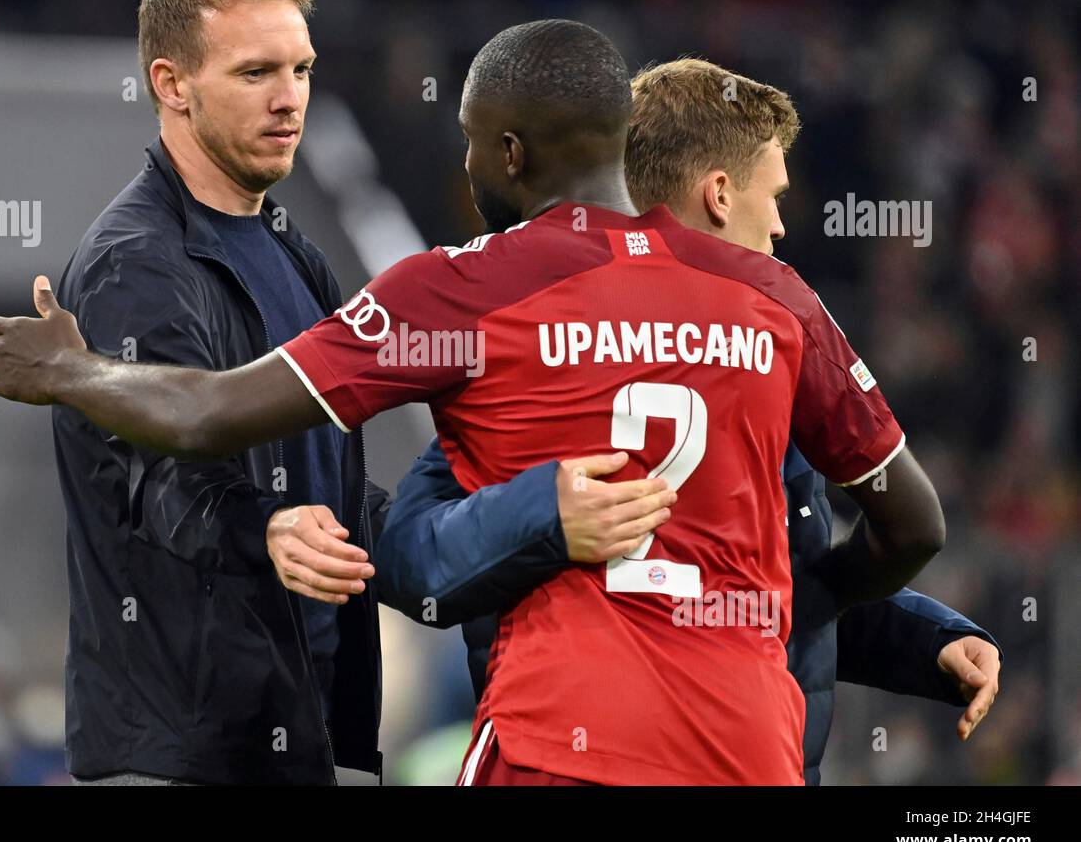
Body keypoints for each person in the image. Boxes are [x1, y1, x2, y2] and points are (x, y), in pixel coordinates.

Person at [0, 20, 946, 784]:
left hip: (562, 746)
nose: (468, 168)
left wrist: (69, 371)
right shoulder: (770, 297)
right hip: (752, 749)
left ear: (510, 153)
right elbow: (912, 524)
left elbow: (208, 411)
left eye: (474, 147)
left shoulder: (461, 290)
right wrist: (792, 601)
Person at [373, 59, 1001, 785]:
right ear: (719, 194)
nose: (780, 224)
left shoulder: (743, 357)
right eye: (774, 197)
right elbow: (411, 560)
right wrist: (542, 511)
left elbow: (756, 585)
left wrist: (922, 640)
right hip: (660, 753)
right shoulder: (554, 355)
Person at [47, 0, 387, 785]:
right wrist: (261, 526)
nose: (290, 100)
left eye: (301, 70)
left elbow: (328, 480)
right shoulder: (137, 263)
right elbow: (144, 479)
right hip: (181, 760)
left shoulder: (288, 246)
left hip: (289, 739)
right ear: (172, 85)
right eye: (255, 73)